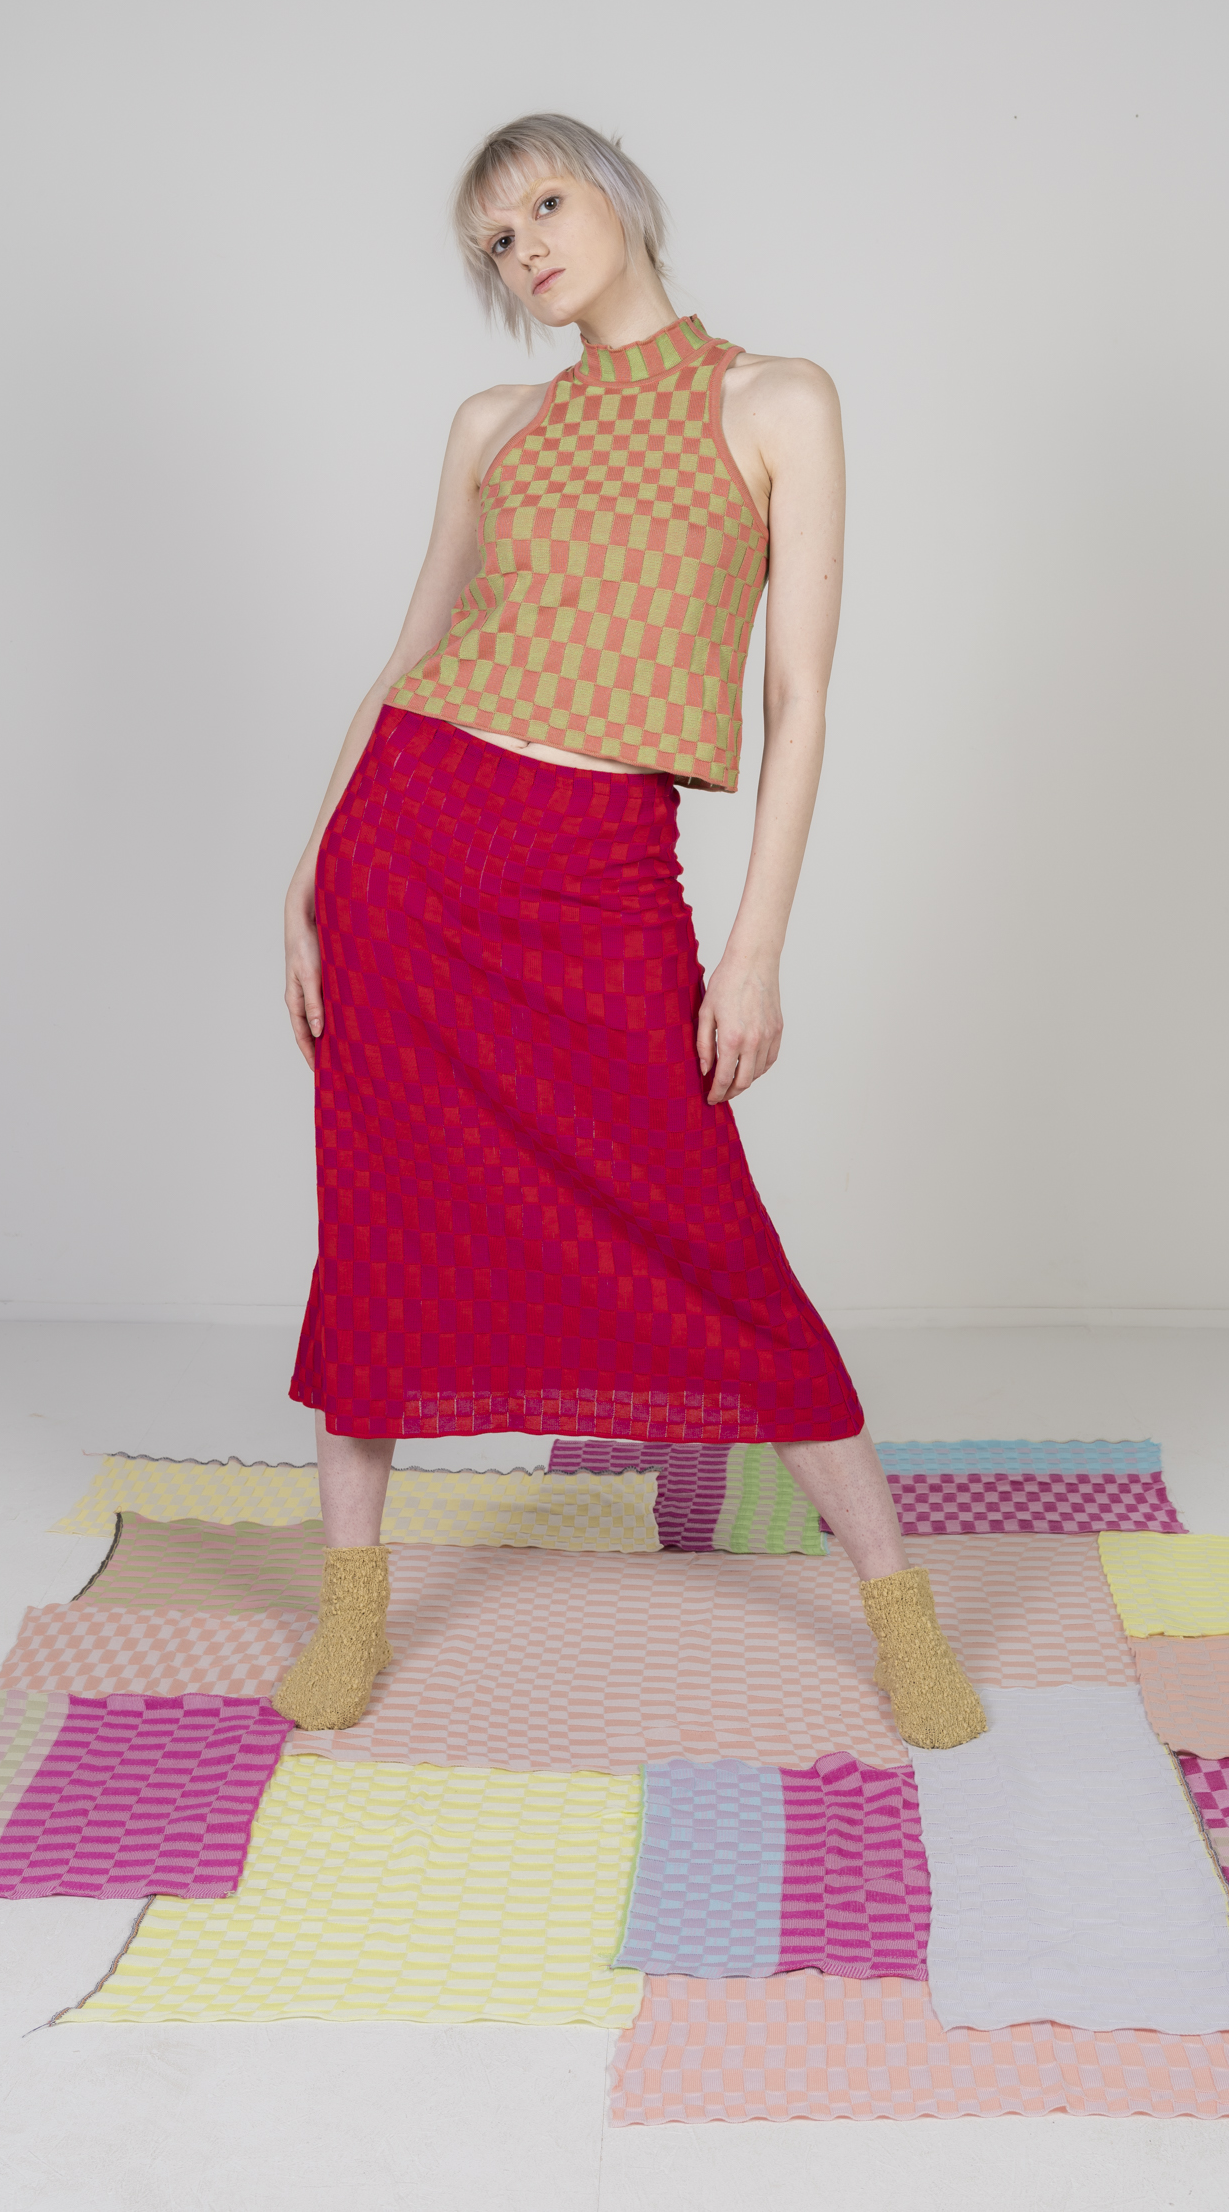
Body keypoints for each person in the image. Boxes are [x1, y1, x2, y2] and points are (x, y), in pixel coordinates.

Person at [273, 113, 985, 1750]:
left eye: (544, 202)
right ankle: (353, 1603)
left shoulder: (777, 400)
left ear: (619, 197)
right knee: (377, 1220)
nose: (525, 246)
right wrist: (305, 878)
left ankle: (898, 1607)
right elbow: (409, 655)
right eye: (495, 239)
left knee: (709, 1235)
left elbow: (800, 698)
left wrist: (755, 947)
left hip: (598, 866)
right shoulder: (495, 422)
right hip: (411, 845)